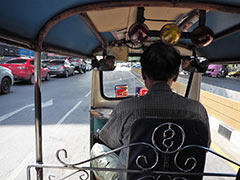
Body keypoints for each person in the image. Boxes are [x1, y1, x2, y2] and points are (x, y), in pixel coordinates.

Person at [99, 41, 211, 166]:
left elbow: (109, 141)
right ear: (175, 76)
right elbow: (204, 146)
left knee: (98, 149)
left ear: (143, 75)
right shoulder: (198, 110)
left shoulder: (125, 109)